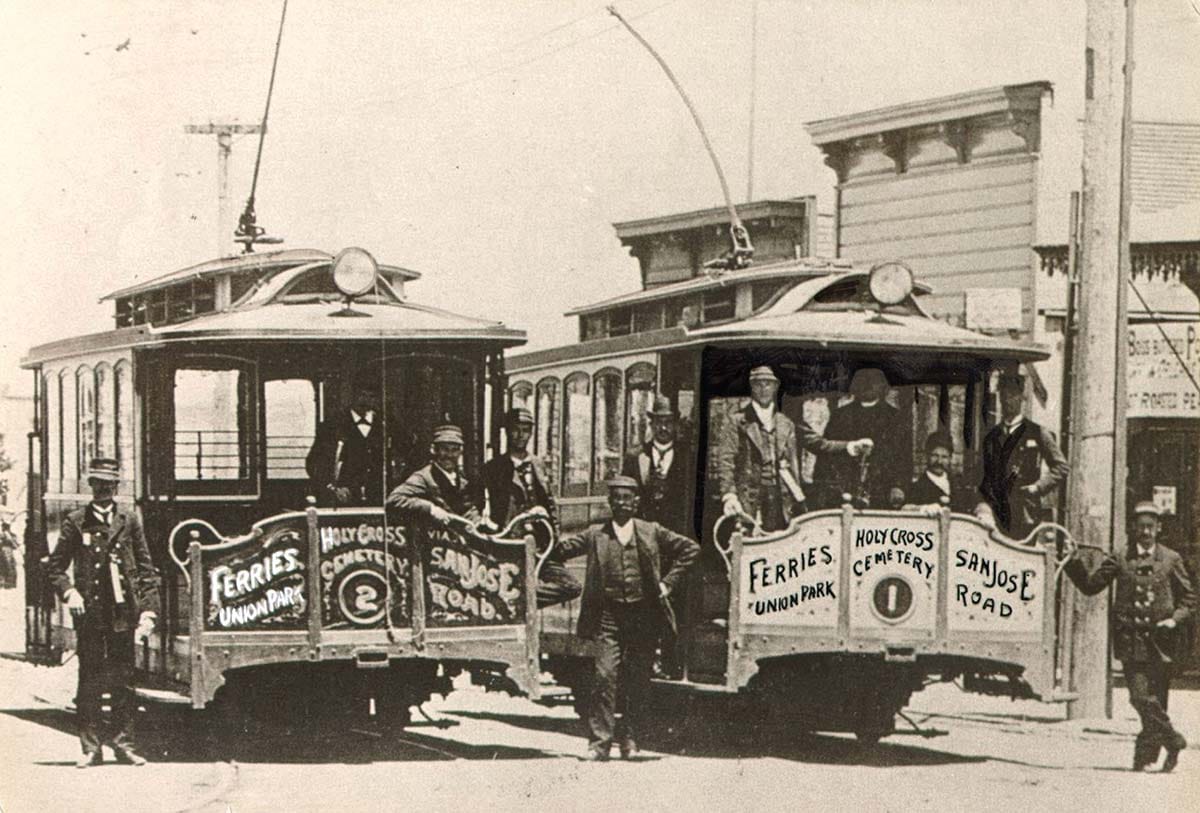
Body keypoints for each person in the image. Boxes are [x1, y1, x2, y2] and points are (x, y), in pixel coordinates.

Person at [553, 476, 699, 761]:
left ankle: (631, 740)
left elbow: (690, 549)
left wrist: (667, 583)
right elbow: (560, 551)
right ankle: (599, 744)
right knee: (604, 675)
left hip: (642, 616)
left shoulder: (650, 531)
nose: (621, 503)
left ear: (636, 503)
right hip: (607, 615)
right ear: (610, 503)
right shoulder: (596, 535)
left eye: (627, 498)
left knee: (638, 679)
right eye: (616, 498)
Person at [44, 458, 160, 768]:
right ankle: (90, 748)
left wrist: (149, 611)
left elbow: (146, 569)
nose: (104, 490)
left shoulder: (129, 520)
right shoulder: (76, 521)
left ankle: (124, 744)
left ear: (116, 487)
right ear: (91, 486)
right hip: (91, 615)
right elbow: (55, 568)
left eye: (109, 484)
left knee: (124, 680)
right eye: (98, 484)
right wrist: (69, 592)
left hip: (123, 614)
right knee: (91, 680)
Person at [1063, 501, 1194, 772]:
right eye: (1141, 526)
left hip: (1161, 641)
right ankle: (1174, 740)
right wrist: (1071, 561)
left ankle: (1147, 757)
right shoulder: (1121, 557)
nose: (1145, 532)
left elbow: (1190, 597)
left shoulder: (1171, 559)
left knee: (1157, 701)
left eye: (1151, 526)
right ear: (1134, 528)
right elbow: (1091, 585)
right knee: (1139, 697)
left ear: (1158, 528)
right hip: (1131, 640)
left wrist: (1174, 619)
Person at [714, 365, 873, 532]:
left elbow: (819, 444)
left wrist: (850, 446)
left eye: (768, 384)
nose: (763, 389)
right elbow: (726, 461)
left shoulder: (787, 421)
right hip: (750, 500)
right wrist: (729, 495)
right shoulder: (737, 421)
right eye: (758, 384)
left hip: (783, 499)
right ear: (751, 387)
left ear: (775, 387)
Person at [482, 407, 581, 608]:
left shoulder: (538, 464)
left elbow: (550, 504)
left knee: (571, 586)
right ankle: (517, 599)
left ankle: (520, 599)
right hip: (509, 545)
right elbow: (480, 504)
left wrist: (554, 538)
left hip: (540, 546)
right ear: (507, 432)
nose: (520, 435)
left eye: (525, 430)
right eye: (515, 430)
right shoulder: (494, 467)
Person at [978, 373, 1069, 539]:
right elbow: (982, 475)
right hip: (997, 510)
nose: (1007, 401)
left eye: (1012, 395)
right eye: (1004, 396)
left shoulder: (1037, 432)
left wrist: (1039, 487)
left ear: (1022, 397)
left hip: (1025, 510)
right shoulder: (992, 436)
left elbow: (1061, 467)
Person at [812, 367, 909, 508]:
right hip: (843, 490)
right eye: (862, 382)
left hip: (883, 491)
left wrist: (899, 486)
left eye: (873, 382)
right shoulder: (841, 416)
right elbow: (826, 454)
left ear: (882, 386)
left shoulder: (895, 418)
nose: (867, 386)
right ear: (854, 386)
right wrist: (822, 488)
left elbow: (904, 457)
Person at [306, 374, 399, 507]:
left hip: (380, 501)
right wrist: (333, 488)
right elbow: (313, 463)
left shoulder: (387, 424)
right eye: (361, 395)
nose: (365, 401)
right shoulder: (332, 425)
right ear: (352, 396)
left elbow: (407, 454)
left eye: (371, 396)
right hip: (344, 502)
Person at [386, 424, 481, 533]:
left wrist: (478, 522)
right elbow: (394, 499)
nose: (449, 455)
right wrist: (431, 509)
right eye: (444, 449)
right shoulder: (424, 477)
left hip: (458, 543)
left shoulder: (462, 479)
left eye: (454, 450)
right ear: (434, 450)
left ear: (461, 452)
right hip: (433, 542)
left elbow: (465, 508)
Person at [622, 394, 691, 535]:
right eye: (659, 422)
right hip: (643, 535)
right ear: (651, 424)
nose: (663, 428)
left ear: (676, 425)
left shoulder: (688, 457)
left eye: (669, 422)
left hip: (678, 536)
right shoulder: (635, 456)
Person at [904, 429, 973, 513]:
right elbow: (905, 510)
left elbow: (975, 503)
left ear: (950, 459)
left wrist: (983, 512)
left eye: (944, 457)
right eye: (935, 455)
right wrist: (922, 508)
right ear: (927, 456)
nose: (939, 461)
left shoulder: (959, 485)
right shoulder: (916, 488)